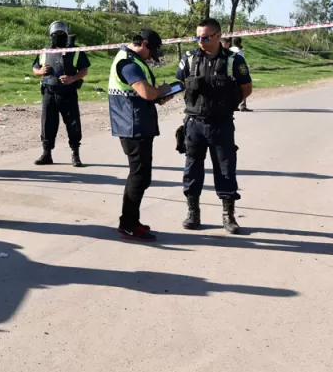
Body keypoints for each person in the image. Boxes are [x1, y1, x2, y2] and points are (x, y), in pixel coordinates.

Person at [176, 18, 253, 234]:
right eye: (198, 36)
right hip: (194, 123)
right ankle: (193, 212)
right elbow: (180, 82)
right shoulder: (189, 58)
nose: (201, 40)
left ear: (218, 36)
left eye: (206, 37)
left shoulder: (233, 60)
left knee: (226, 169)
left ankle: (228, 215)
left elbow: (246, 87)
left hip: (221, 123)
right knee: (192, 169)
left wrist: (230, 102)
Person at [108, 29, 172, 241]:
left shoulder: (132, 59)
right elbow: (145, 92)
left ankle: (131, 220)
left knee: (141, 176)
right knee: (138, 176)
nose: (150, 57)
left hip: (137, 124)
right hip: (132, 127)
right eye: (150, 52)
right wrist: (161, 91)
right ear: (144, 44)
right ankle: (127, 224)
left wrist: (158, 96)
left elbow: (144, 94)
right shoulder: (128, 63)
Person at [33, 21, 91, 167]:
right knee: (47, 123)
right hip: (49, 91)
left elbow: (84, 70)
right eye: (55, 34)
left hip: (68, 92)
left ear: (66, 35)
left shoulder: (75, 51)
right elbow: (35, 69)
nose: (58, 37)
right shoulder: (45, 51)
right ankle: (46, 154)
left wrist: (72, 78)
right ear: (51, 36)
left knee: (73, 123)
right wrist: (40, 72)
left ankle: (75, 154)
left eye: (61, 34)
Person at [229, 37, 250, 111]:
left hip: (230, 70)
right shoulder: (239, 51)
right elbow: (241, 62)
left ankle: (234, 105)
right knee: (243, 87)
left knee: (233, 88)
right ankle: (242, 106)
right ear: (239, 43)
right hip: (238, 71)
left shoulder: (230, 49)